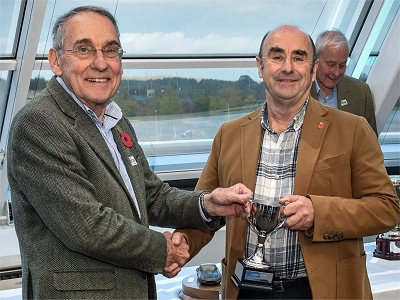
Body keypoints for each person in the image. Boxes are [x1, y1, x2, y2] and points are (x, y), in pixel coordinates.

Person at [6, 6, 253, 300]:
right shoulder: (39, 123)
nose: (100, 63)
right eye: (84, 50)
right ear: (55, 61)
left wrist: (208, 204)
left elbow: (150, 196)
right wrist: (163, 250)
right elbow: (87, 225)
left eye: (110, 51)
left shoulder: (114, 120)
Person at [170, 25, 399, 299]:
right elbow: (206, 208)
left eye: (299, 57)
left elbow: (386, 208)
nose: (288, 67)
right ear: (260, 65)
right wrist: (182, 243)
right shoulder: (229, 135)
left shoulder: (352, 130)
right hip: (245, 289)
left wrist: (319, 212)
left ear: (312, 69)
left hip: (318, 291)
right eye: (277, 56)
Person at [310, 29, 378, 136]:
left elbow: (370, 144)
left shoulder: (361, 93)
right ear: (316, 61)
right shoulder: (299, 91)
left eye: (342, 65)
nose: (336, 73)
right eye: (331, 64)